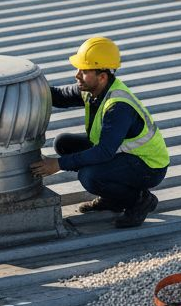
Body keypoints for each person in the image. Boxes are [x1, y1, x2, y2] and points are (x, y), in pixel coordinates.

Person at [30, 36, 169, 229]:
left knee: (90, 176)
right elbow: (60, 97)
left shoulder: (117, 106)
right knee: (64, 143)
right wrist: (29, 87)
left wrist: (59, 164)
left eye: (84, 71)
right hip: (123, 154)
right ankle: (113, 199)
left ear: (102, 76)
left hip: (147, 166)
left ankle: (139, 200)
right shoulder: (92, 89)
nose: (77, 75)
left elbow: (103, 152)